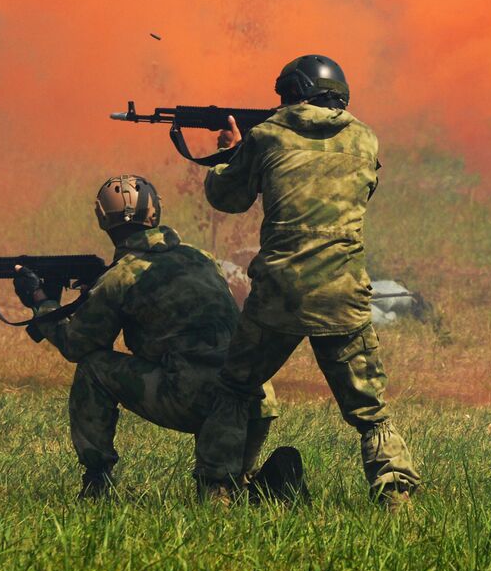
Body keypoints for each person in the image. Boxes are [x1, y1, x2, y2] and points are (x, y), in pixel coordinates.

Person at [200, 55, 421, 510]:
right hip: (343, 291)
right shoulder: (365, 138)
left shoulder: (265, 137)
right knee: (370, 410)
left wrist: (230, 151)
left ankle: (218, 492)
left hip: (279, 292)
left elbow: (227, 197)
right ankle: (396, 496)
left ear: (292, 93)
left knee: (236, 389)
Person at [15, 176, 293, 501]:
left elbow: (78, 346)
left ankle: (97, 483)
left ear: (102, 219)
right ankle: (265, 487)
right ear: (156, 212)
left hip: (196, 398)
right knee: (229, 488)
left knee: (92, 368)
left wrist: (41, 302)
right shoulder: (201, 258)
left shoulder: (121, 277)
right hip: (255, 399)